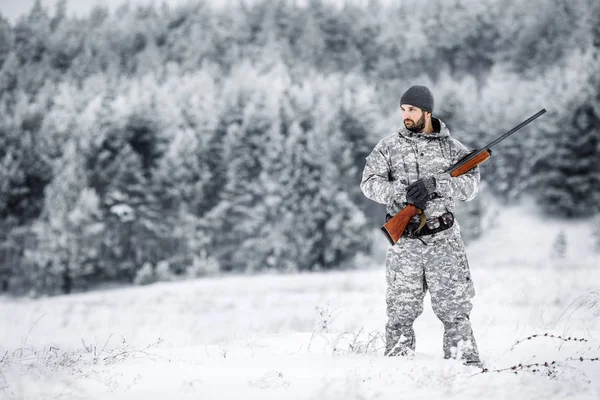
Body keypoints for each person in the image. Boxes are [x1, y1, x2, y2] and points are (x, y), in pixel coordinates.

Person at [360, 85, 481, 366]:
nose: (406, 115)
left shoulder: (452, 148)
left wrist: (438, 184)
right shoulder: (388, 147)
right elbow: (368, 184)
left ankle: (464, 369)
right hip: (405, 242)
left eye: (412, 110)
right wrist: (401, 192)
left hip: (444, 240)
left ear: (427, 112)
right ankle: (397, 371)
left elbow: (471, 186)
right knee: (400, 312)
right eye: (403, 109)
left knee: (455, 310)